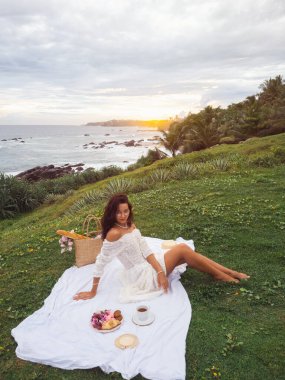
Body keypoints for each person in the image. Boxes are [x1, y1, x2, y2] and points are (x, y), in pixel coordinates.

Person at [73, 194, 250, 302]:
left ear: (129, 210)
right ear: (112, 213)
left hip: (150, 264)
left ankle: (230, 273)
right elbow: (101, 262)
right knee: (182, 249)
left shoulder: (130, 225)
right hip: (141, 275)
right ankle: (222, 275)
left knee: (185, 252)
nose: (122, 215)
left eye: (125, 211)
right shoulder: (114, 233)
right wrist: (93, 290)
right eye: (118, 212)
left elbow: (145, 249)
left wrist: (158, 270)